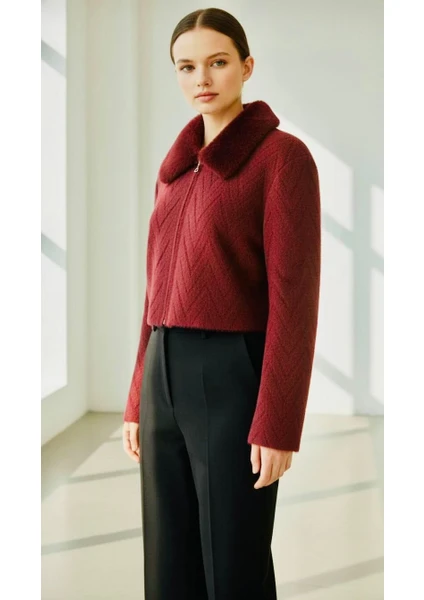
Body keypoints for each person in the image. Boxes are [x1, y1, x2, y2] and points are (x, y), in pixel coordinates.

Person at [122, 7, 321, 600]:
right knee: (168, 562)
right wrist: (137, 396)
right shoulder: (174, 170)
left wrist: (279, 423)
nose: (201, 78)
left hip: (232, 374)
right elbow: (154, 291)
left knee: (234, 565)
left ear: (246, 67)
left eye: (217, 62)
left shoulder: (282, 158)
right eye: (186, 67)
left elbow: (294, 300)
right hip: (162, 373)